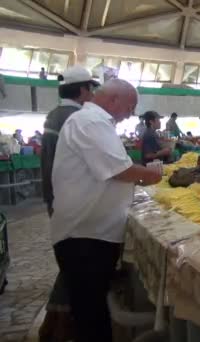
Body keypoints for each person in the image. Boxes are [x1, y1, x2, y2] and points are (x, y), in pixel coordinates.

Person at [50, 79, 162, 342]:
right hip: (83, 237)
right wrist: (154, 175)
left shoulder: (95, 122)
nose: (131, 114)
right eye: (130, 107)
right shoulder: (89, 122)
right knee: (91, 317)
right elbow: (121, 170)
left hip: (92, 234)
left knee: (94, 311)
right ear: (114, 100)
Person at [39, 65, 99, 342]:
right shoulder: (74, 118)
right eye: (92, 88)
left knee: (70, 261)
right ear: (83, 90)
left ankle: (54, 321)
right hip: (72, 200)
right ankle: (60, 325)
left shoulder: (55, 114)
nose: (94, 94)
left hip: (57, 197)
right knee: (75, 264)